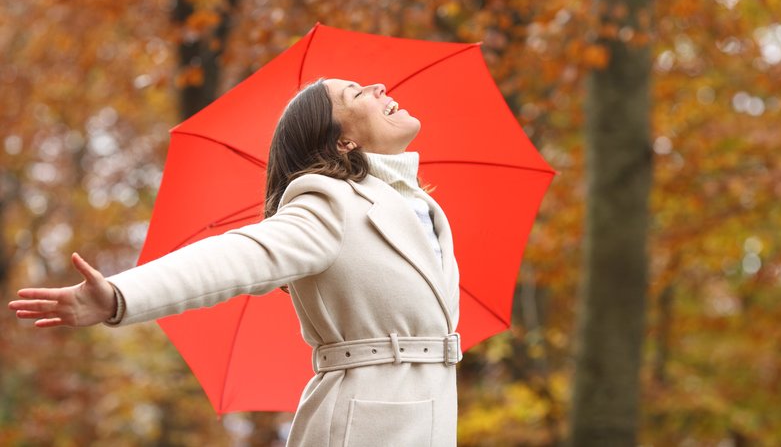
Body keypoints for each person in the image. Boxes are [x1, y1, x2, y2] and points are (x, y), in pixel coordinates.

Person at [9, 78, 461, 447]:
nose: (379, 87)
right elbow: (234, 257)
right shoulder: (328, 200)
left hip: (431, 419)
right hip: (363, 425)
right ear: (342, 140)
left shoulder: (423, 209)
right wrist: (119, 297)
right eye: (357, 94)